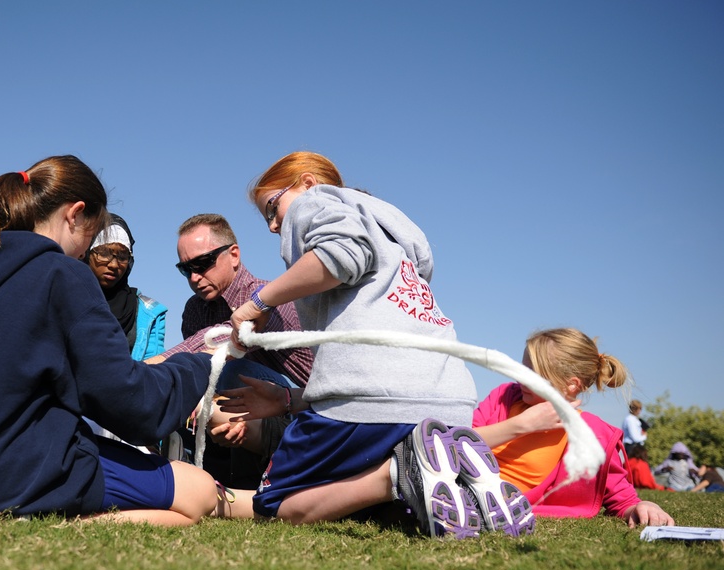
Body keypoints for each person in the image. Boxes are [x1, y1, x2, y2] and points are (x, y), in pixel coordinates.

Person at [221, 151, 533, 538]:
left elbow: (342, 256)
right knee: (376, 513)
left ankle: (400, 474)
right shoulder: (395, 244)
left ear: (305, 182)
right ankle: (459, 486)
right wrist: (287, 400)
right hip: (449, 409)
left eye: (272, 207)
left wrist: (259, 301)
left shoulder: (317, 200)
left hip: (374, 406)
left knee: (275, 504)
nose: (272, 226)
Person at [0, 155, 219, 526]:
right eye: (92, 237)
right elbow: (135, 406)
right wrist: (201, 362)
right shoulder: (60, 274)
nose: (87, 253)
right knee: (200, 492)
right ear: (75, 214)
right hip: (21, 473)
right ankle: (58, 521)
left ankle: (21, 510)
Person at [151, 213, 315, 489]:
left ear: (234, 255)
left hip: (305, 406)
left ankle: (249, 482)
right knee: (194, 383)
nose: (194, 276)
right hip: (249, 408)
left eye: (203, 263)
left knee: (228, 369)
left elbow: (216, 343)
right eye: (185, 269)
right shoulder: (194, 309)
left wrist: (148, 370)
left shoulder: (265, 297)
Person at [472, 328, 674, 527]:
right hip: (462, 484)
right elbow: (454, 444)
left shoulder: (594, 435)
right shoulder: (504, 397)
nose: (519, 378)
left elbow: (623, 500)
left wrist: (645, 506)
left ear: (571, 385)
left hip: (496, 504)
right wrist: (522, 425)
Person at [86, 214, 167, 361]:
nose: (114, 265)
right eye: (104, 253)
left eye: (123, 257)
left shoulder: (148, 312)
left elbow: (153, 369)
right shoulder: (65, 299)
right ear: (86, 253)